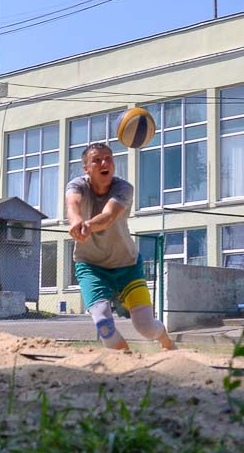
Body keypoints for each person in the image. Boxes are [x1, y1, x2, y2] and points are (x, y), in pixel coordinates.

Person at [65, 142, 175, 351]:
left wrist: (87, 225)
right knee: (104, 326)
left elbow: (109, 216)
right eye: (97, 160)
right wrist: (76, 221)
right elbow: (72, 206)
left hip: (127, 266)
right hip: (90, 266)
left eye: (108, 158)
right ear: (86, 168)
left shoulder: (123, 188)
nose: (104, 163)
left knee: (146, 328)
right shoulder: (76, 185)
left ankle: (166, 341)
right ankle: (126, 364)